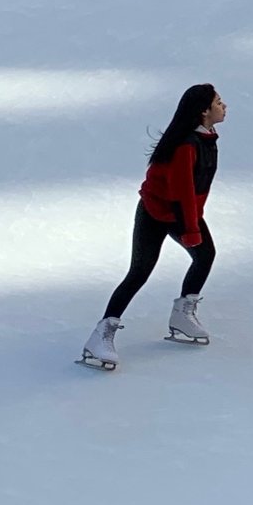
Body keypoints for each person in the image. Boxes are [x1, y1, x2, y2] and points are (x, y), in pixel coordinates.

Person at [80, 84, 225, 370]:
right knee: (139, 272)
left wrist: (193, 221)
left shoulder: (206, 139)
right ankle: (101, 335)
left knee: (206, 256)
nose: (224, 106)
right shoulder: (186, 145)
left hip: (182, 212)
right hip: (156, 213)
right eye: (219, 102)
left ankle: (183, 314)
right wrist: (191, 229)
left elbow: (197, 190)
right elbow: (182, 190)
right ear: (204, 111)